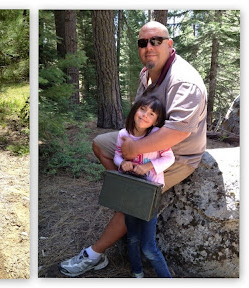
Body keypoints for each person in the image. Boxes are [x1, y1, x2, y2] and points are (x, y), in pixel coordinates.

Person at [59, 20, 207, 277]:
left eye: (156, 41)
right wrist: (129, 146)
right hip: (145, 142)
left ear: (169, 44)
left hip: (177, 154)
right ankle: (126, 186)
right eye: (142, 42)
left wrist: (133, 149)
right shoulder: (147, 72)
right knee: (100, 144)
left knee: (132, 199)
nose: (148, 47)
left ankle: (94, 255)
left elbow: (177, 132)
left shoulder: (184, 81)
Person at [115, 97, 174, 278]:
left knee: (148, 246)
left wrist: (149, 166)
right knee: (132, 238)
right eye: (142, 109)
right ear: (135, 110)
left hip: (150, 192)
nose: (144, 116)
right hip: (131, 190)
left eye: (151, 114)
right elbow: (117, 155)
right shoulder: (123, 134)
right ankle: (137, 273)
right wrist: (123, 162)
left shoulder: (157, 134)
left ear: (156, 120)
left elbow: (169, 158)